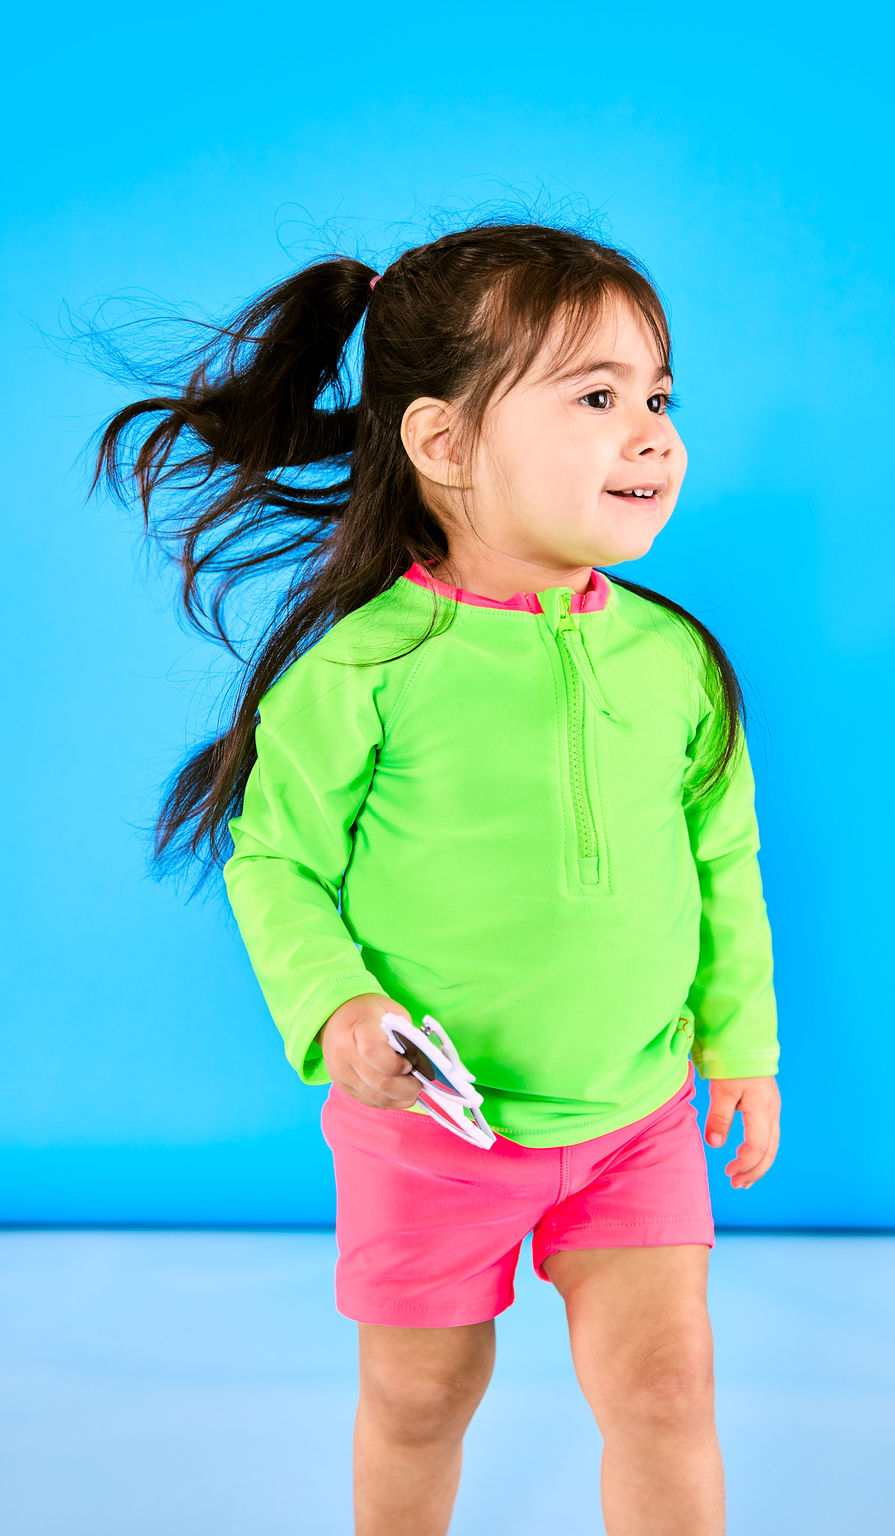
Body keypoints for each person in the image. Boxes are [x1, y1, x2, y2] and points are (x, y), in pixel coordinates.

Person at [89, 218, 781, 1536]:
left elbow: (722, 860)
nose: (653, 436)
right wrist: (339, 1009)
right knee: (420, 1396)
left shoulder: (676, 663)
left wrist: (741, 1046)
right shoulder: (365, 671)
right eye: (597, 398)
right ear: (444, 443)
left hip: (634, 1114)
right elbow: (276, 859)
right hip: (433, 1135)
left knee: (666, 1390)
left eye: (659, 397)